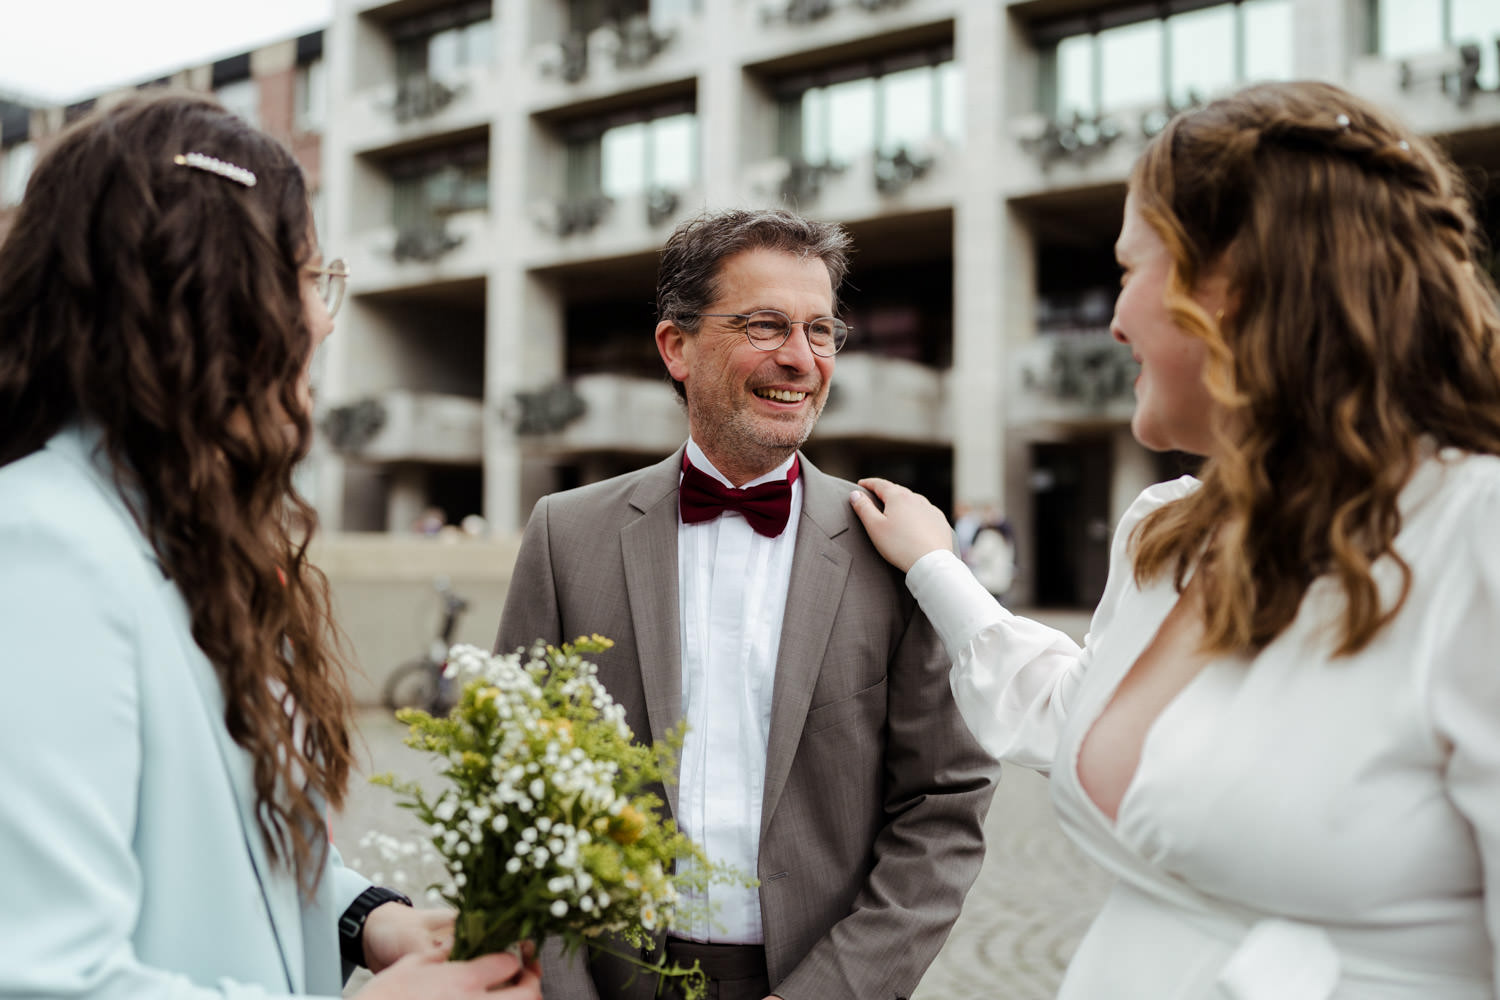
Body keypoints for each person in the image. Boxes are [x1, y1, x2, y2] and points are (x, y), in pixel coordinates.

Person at [850, 79, 1500, 998]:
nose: (1113, 321)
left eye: (1128, 269)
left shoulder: (1478, 539)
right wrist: (934, 570)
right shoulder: (1169, 533)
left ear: (1234, 282)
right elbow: (1075, 709)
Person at [0, 93, 539, 1000]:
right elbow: (41, 976)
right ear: (210, 297)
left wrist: (369, 920)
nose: (325, 322)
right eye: (305, 275)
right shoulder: (38, 552)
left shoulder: (189, 543)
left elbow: (212, 850)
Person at [496, 208, 998, 1000]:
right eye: (767, 325)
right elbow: (515, 784)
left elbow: (942, 803)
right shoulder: (566, 535)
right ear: (678, 347)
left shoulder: (901, 549)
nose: (800, 359)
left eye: (821, 331)